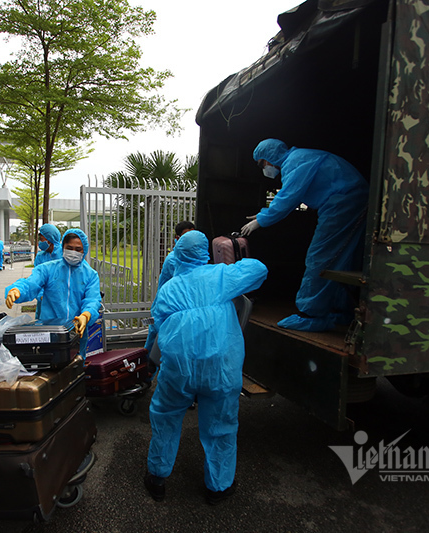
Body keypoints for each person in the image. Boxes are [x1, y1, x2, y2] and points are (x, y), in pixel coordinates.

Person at [144, 230, 268, 505]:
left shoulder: (168, 289)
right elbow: (259, 270)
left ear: (177, 254)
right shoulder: (222, 277)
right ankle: (219, 487)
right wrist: (231, 255)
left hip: (179, 370)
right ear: (206, 254)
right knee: (221, 425)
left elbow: (156, 330)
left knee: (166, 418)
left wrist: (149, 361)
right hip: (220, 371)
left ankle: (157, 479)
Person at [240, 139, 368, 332]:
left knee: (320, 257)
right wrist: (262, 215)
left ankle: (311, 315)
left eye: (262, 163)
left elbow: (288, 197)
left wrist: (261, 220)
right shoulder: (302, 157)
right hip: (351, 199)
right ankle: (342, 311)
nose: (264, 168)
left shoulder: (295, 162)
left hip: (342, 202)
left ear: (269, 158)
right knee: (344, 258)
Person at [4, 228, 101, 357]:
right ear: (63, 247)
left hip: (76, 331)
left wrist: (86, 315)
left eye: (78, 249)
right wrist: (17, 290)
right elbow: (31, 283)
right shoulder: (47, 269)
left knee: (75, 366)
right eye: (69, 248)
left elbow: (92, 300)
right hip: (49, 331)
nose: (73, 252)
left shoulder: (90, 275)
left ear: (85, 250)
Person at [144, 220, 196, 355]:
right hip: (166, 306)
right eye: (186, 236)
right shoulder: (174, 259)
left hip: (176, 307)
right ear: (177, 239)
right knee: (156, 343)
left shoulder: (190, 258)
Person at [33, 223, 63, 319]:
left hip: (61, 300)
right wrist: (41, 296)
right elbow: (36, 279)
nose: (40, 242)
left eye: (42, 239)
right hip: (44, 302)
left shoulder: (64, 254)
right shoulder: (40, 256)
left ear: (50, 239)